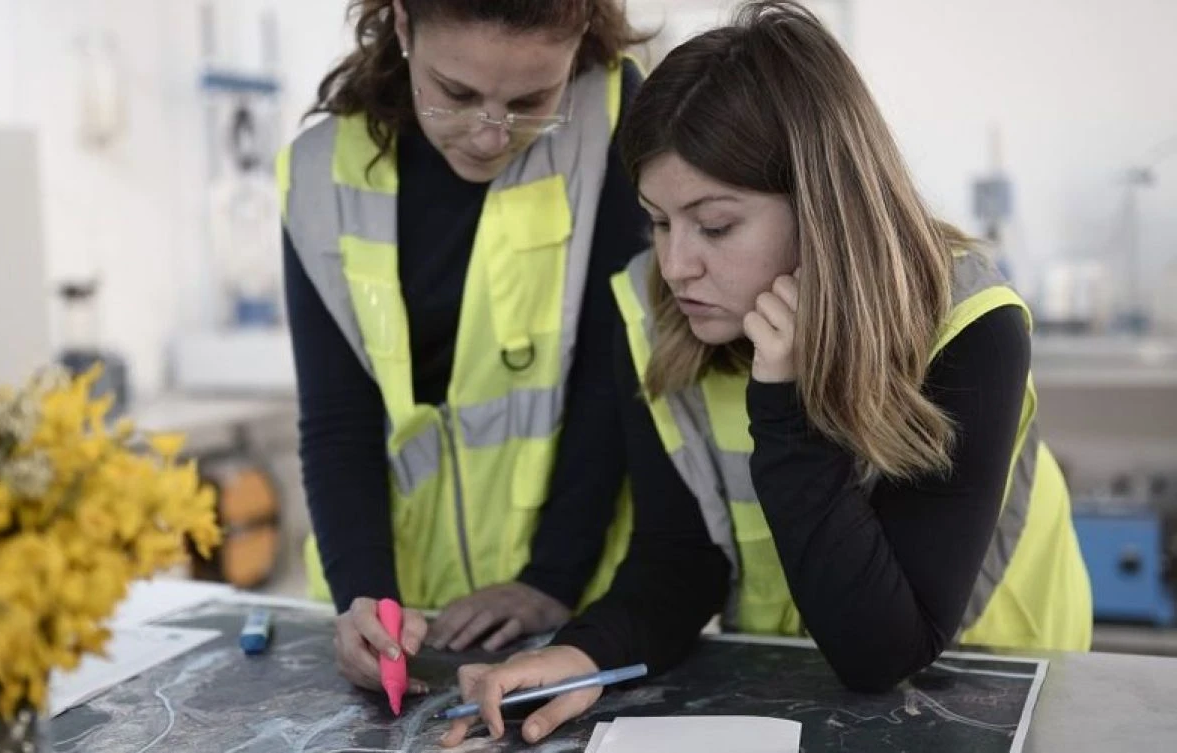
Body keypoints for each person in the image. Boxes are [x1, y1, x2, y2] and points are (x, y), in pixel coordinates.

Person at [440, 1, 1092, 746]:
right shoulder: (654, 312)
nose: (675, 265)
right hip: (806, 678)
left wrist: (785, 404)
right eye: (659, 220)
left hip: (992, 681)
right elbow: (680, 557)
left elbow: (884, 650)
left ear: (823, 209)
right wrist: (586, 654)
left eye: (715, 226)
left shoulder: (970, 327)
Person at [277, 0, 652, 694]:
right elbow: (337, 420)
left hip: (573, 608)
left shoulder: (612, 118)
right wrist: (363, 599)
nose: (489, 135)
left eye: (531, 101)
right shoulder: (320, 174)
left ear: (577, 42)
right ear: (403, 25)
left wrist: (553, 578)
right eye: (455, 94)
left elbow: (616, 374)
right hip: (402, 607)